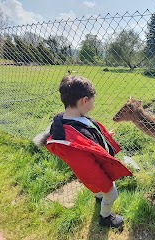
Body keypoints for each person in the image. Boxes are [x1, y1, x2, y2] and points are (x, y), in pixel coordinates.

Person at [44, 75, 132, 228]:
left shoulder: (76, 118)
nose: (93, 104)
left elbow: (88, 138)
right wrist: (106, 186)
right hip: (96, 172)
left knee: (101, 191)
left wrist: (104, 137)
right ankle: (105, 218)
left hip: (95, 164)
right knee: (112, 194)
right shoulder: (71, 145)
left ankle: (99, 195)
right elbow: (88, 170)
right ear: (84, 100)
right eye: (93, 100)